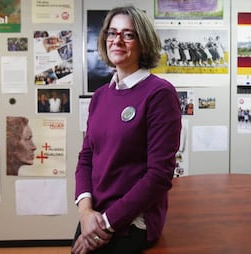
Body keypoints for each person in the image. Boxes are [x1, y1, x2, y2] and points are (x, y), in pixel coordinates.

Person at [72, 5, 182, 254]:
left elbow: (159, 175)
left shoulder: (159, 94)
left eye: (128, 34)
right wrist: (85, 211)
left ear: (143, 42)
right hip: (95, 214)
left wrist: (106, 224)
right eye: (112, 33)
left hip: (131, 222)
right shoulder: (101, 96)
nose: (117, 40)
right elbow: (87, 157)